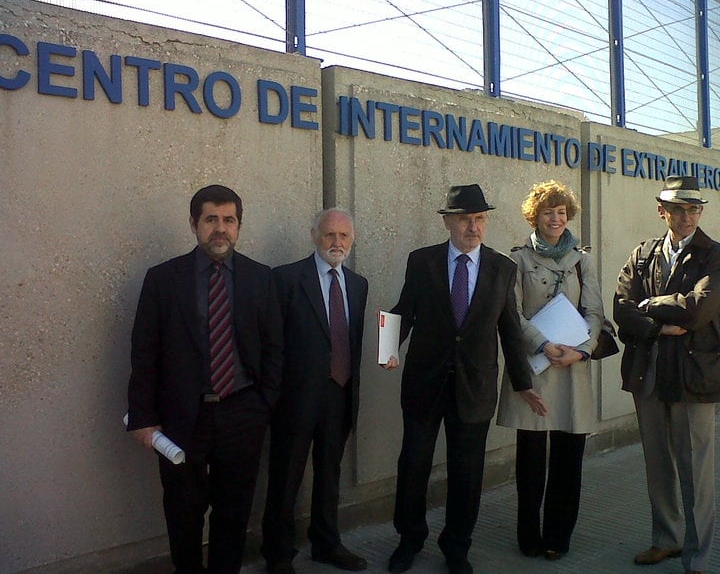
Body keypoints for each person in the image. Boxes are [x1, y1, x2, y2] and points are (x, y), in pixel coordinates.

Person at [127, 184, 283, 574]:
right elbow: (144, 352)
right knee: (183, 512)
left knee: (234, 512)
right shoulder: (163, 279)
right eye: (211, 219)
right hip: (182, 417)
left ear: (239, 226)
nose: (220, 228)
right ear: (194, 223)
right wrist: (143, 417)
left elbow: (274, 348)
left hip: (243, 413)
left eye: (229, 220)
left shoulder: (260, 278)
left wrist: (264, 405)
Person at [382, 184, 536, 574]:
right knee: (413, 464)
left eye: (480, 218)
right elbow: (403, 310)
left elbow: (510, 329)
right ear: (448, 221)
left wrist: (524, 382)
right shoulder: (422, 262)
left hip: (475, 387)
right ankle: (409, 539)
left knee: (467, 472)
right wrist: (387, 349)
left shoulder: (503, 268)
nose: (474, 226)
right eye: (466, 218)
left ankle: (457, 547)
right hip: (424, 384)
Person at [613, 176, 720, 574]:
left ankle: (697, 557)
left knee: (695, 469)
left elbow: (698, 310)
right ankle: (667, 539)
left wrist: (649, 304)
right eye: (678, 209)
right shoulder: (643, 254)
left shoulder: (715, 255)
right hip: (648, 373)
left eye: (694, 209)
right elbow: (621, 311)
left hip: (692, 376)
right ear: (661, 211)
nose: (687, 216)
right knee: (658, 463)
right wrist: (658, 325)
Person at [496, 179, 604, 561]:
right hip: (536, 368)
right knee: (530, 461)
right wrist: (543, 344)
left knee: (568, 458)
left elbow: (594, 313)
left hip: (572, 368)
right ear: (535, 216)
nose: (555, 219)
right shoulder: (518, 259)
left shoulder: (583, 260)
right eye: (548, 212)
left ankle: (559, 536)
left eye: (561, 212)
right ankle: (529, 534)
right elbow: (513, 314)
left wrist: (583, 351)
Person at [261, 208, 369, 574]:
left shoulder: (358, 284)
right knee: (285, 477)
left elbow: (350, 340)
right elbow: (271, 344)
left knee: (330, 474)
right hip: (295, 399)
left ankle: (326, 544)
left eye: (344, 236)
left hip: (339, 394)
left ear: (352, 240)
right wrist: (272, 397)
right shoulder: (286, 279)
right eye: (329, 235)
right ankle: (278, 554)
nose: (337, 243)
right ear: (314, 235)